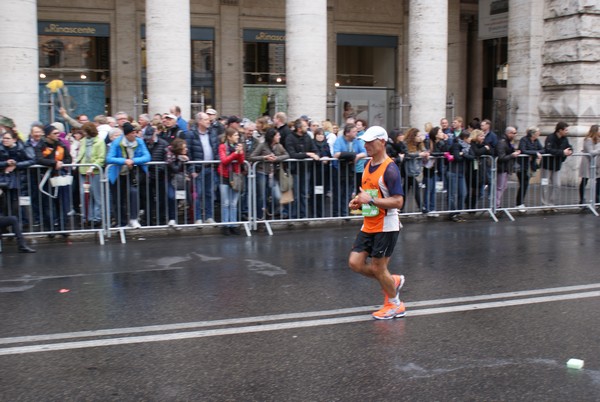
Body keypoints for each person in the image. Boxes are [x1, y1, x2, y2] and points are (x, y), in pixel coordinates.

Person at [347, 126, 406, 320]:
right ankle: (392, 280)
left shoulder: (390, 169)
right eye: (365, 142)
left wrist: (370, 201)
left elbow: (399, 201)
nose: (366, 145)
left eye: (370, 142)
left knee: (378, 268)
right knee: (355, 263)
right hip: (369, 222)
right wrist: (357, 201)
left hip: (386, 225)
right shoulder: (367, 165)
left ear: (382, 142)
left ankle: (395, 305)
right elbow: (369, 194)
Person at [106, 122, 151, 228]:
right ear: (127, 134)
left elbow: (147, 156)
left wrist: (133, 160)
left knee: (133, 193)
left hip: (131, 174)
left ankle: (133, 219)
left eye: (135, 132)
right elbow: (109, 158)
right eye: (132, 133)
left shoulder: (139, 142)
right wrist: (124, 161)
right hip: (117, 175)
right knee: (118, 199)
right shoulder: (117, 143)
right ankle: (121, 223)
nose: (135, 135)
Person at [36, 124, 73, 234]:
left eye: (58, 133)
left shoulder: (61, 144)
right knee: (48, 203)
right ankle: (50, 229)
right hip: (46, 178)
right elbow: (39, 159)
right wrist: (54, 163)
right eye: (55, 133)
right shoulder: (41, 145)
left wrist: (61, 163)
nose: (58, 135)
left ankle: (63, 227)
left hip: (59, 177)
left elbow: (68, 158)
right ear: (48, 135)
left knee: (62, 202)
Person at [185, 112, 219, 225]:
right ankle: (198, 217)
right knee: (198, 194)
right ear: (199, 121)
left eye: (208, 119)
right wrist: (192, 169)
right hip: (198, 169)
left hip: (211, 167)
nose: (208, 121)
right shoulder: (191, 134)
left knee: (209, 193)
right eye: (205, 119)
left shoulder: (212, 133)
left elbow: (216, 149)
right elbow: (188, 152)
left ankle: (209, 216)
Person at [249, 128, 290, 220]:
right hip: (261, 172)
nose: (279, 137)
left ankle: (271, 211)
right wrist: (264, 157)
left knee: (276, 196)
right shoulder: (262, 145)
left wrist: (277, 158)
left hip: (273, 173)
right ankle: (259, 217)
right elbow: (252, 157)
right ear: (272, 137)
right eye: (277, 135)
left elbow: (287, 155)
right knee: (261, 196)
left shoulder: (279, 146)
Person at [284, 118, 320, 219]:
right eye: (305, 126)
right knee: (295, 194)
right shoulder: (290, 138)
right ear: (299, 128)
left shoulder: (307, 137)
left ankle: (303, 215)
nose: (307, 127)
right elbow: (292, 154)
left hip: (305, 169)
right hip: (295, 170)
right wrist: (308, 154)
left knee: (304, 193)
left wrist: (315, 154)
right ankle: (294, 216)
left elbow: (315, 150)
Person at [333, 123, 367, 217]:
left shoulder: (357, 141)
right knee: (338, 192)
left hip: (350, 169)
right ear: (347, 133)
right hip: (339, 170)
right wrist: (351, 155)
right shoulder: (339, 140)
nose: (356, 133)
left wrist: (356, 156)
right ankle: (336, 214)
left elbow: (364, 153)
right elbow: (336, 154)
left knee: (348, 192)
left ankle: (345, 213)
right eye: (354, 131)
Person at [76, 122, 106, 226]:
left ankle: (97, 217)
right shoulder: (83, 141)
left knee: (96, 195)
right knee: (84, 195)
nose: (83, 133)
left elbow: (101, 157)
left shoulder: (100, 142)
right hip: (83, 171)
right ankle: (86, 217)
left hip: (95, 172)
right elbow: (80, 154)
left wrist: (93, 166)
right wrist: (75, 163)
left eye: (84, 131)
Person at [0, 130, 34, 217]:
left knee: (17, 205)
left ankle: (21, 224)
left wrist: (17, 165)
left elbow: (32, 160)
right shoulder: (1, 148)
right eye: (3, 138)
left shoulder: (22, 148)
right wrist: (6, 163)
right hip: (3, 180)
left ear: (14, 139)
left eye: (7, 138)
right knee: (4, 205)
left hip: (19, 180)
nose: (5, 140)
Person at [217, 127, 245, 235]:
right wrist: (235, 153)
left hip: (236, 176)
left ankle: (233, 224)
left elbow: (241, 161)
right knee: (226, 203)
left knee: (233, 203)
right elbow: (224, 161)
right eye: (235, 135)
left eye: (238, 135)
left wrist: (240, 152)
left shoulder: (237, 146)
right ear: (229, 137)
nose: (237, 137)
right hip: (225, 176)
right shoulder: (222, 146)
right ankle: (225, 225)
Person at [541, 121, 573, 206]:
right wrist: (562, 152)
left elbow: (569, 147)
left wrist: (570, 151)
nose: (567, 132)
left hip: (557, 166)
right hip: (546, 165)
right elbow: (549, 150)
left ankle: (551, 203)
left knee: (557, 185)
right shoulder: (550, 137)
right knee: (545, 185)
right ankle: (544, 204)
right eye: (565, 130)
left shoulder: (565, 139)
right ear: (560, 130)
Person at [402, 128, 429, 213]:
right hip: (407, 170)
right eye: (418, 135)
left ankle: (401, 208)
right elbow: (407, 154)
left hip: (414, 170)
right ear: (413, 136)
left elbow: (424, 151)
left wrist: (426, 154)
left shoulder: (420, 144)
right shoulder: (406, 144)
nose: (420, 137)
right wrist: (419, 154)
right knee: (414, 188)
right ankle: (421, 207)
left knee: (405, 190)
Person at [516, 126, 543, 210]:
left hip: (530, 165)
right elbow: (523, 150)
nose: (539, 134)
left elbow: (543, 149)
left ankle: (520, 203)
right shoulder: (524, 140)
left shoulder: (536, 140)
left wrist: (534, 153)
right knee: (523, 184)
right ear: (533, 134)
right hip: (522, 165)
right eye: (537, 133)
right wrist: (535, 153)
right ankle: (519, 203)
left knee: (525, 184)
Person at [495, 127, 521, 209]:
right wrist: (512, 155)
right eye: (514, 133)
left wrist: (515, 152)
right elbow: (501, 157)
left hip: (505, 168)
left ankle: (497, 204)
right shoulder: (502, 142)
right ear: (508, 133)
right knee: (500, 187)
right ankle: (496, 205)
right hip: (501, 168)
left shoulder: (508, 142)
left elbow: (508, 152)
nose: (515, 135)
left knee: (503, 186)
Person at [165, 138, 189, 227]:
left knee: (179, 198)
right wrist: (180, 160)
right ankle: (172, 218)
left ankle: (175, 219)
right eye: (184, 148)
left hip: (181, 181)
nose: (186, 149)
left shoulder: (184, 155)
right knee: (171, 197)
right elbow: (174, 168)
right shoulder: (170, 155)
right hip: (171, 179)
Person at [578, 124, 600, 205]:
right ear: (595, 131)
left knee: (599, 180)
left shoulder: (598, 140)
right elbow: (591, 152)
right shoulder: (588, 140)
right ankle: (582, 200)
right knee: (584, 180)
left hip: (597, 163)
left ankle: (597, 200)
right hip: (587, 162)